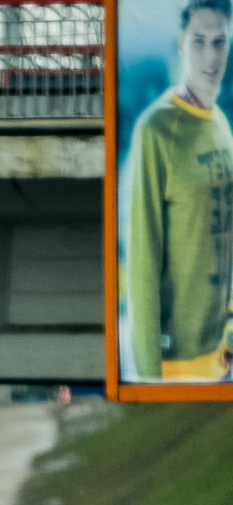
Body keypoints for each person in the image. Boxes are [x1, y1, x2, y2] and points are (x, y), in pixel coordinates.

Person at [125, 0, 233, 381]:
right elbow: (143, 260)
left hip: (221, 357)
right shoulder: (158, 130)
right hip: (177, 365)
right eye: (199, 41)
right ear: (182, 45)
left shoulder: (221, 125)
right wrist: (150, 374)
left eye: (219, 42)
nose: (210, 55)